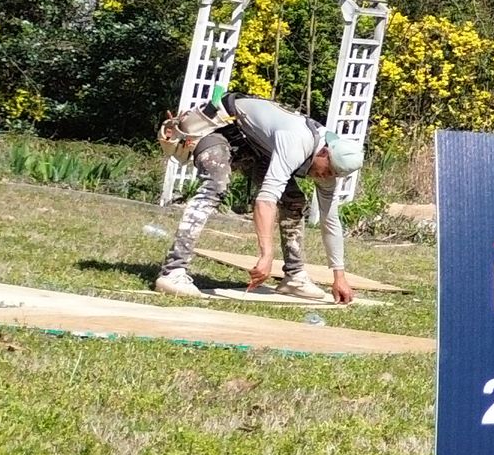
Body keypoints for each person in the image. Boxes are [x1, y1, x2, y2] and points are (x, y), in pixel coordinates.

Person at [154, 93, 363, 304]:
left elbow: (330, 221)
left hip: (252, 142)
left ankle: (294, 276)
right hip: (219, 126)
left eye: (334, 175)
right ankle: (173, 271)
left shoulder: (330, 167)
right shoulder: (297, 141)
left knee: (293, 201)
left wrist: (339, 277)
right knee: (215, 185)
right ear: (325, 153)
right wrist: (267, 255)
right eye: (328, 170)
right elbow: (265, 201)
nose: (326, 177)